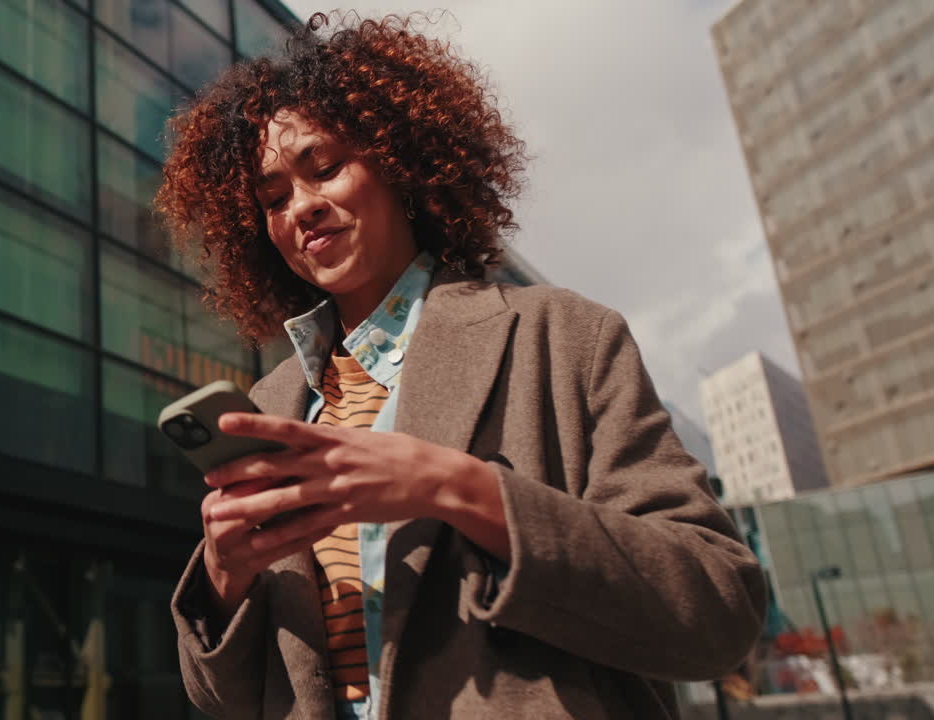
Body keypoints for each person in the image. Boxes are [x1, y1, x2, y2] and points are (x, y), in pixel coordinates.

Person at [154, 12, 765, 720]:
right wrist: (225, 578)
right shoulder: (274, 400)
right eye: (273, 198)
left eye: (325, 168)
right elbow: (225, 701)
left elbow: (719, 612)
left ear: (398, 160)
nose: (303, 208)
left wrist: (459, 489)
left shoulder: (562, 336)